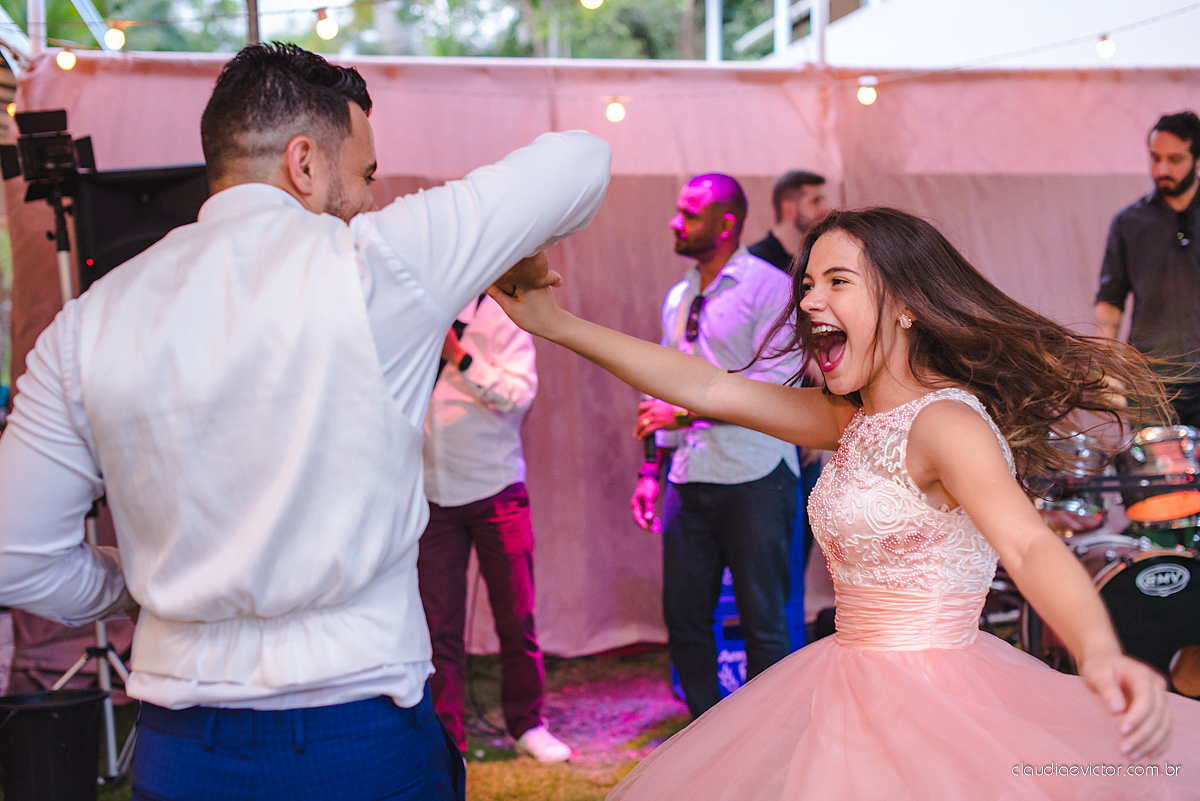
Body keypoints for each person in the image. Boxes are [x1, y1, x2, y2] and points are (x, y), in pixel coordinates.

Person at [0, 44, 610, 801]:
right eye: (364, 175)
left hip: (182, 749)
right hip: (357, 735)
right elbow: (582, 159)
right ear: (305, 164)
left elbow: (15, 552)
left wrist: (131, 590)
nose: (365, 198)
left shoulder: (86, 323)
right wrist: (499, 249)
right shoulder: (382, 264)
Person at [491, 207, 1200, 799]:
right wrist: (557, 324)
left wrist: (1098, 649)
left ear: (909, 306)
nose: (807, 302)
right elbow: (709, 390)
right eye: (807, 284)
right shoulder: (850, 419)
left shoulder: (945, 423)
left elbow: (1030, 544)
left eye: (837, 281)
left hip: (939, 698)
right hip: (844, 680)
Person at [631, 173, 801, 718]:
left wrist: (680, 411)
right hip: (689, 473)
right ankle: (704, 735)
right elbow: (661, 386)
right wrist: (649, 472)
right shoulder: (679, 295)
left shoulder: (768, 286)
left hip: (755, 474)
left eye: (690, 213)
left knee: (764, 624)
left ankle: (766, 740)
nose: (676, 222)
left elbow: (775, 388)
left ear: (727, 223)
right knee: (684, 621)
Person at [418, 294, 571, 763]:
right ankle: (448, 739)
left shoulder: (504, 317)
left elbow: (519, 394)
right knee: (437, 627)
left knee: (515, 616)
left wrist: (458, 356)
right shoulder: (423, 312)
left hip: (495, 487)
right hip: (430, 491)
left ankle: (528, 725)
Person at [1096, 111, 1200, 426]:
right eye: (1155, 158)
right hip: (1149, 383)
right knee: (1157, 473)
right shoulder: (1128, 222)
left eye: (1175, 159)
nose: (1162, 169)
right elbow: (1110, 303)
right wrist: (1107, 370)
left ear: (1197, 159)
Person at [747, 169, 829, 272]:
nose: (825, 209)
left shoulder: (817, 256)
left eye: (823, 201)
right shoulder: (755, 262)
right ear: (789, 209)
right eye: (815, 201)